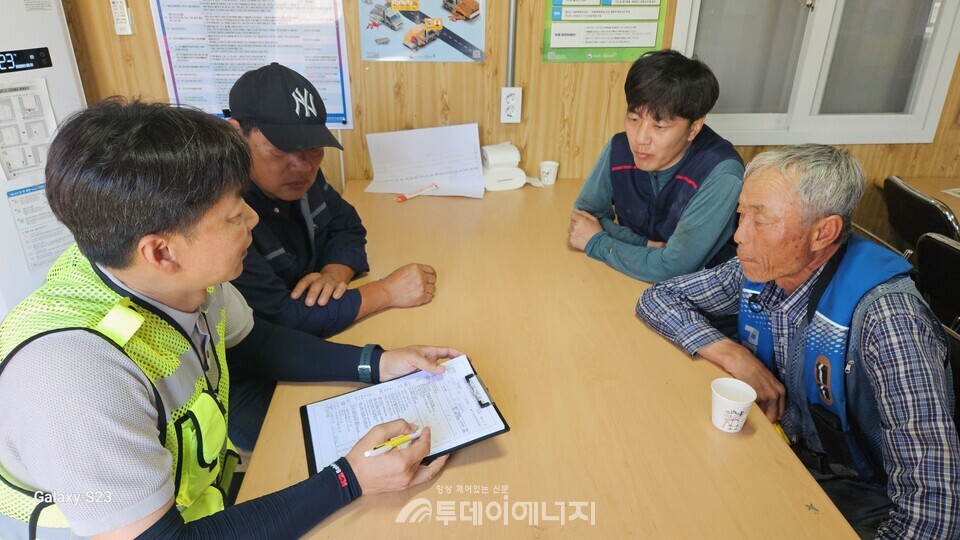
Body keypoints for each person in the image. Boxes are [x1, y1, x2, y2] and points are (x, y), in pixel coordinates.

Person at [0, 99, 457, 538]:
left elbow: (258, 341)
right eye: (235, 216)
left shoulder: (184, 278)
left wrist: (375, 363)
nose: (254, 220)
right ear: (161, 251)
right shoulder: (73, 378)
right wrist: (349, 479)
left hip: (193, 500)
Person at [636, 144, 959, 537]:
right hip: (784, 453)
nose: (739, 235)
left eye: (760, 219)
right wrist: (735, 355)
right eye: (741, 213)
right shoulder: (763, 267)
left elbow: (934, 512)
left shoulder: (888, 320)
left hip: (863, 497)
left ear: (824, 232)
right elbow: (660, 298)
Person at [226, 62, 436, 341]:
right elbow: (281, 319)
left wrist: (335, 272)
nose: (301, 165)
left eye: (313, 147)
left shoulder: (298, 175)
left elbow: (345, 224)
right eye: (280, 148)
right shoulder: (222, 212)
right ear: (236, 135)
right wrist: (386, 291)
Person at [569, 50, 744, 283]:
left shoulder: (721, 173)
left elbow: (675, 268)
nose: (640, 138)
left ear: (694, 128)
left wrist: (598, 241)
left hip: (699, 293)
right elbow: (584, 217)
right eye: (634, 119)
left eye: (659, 126)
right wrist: (646, 245)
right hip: (628, 279)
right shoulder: (620, 148)